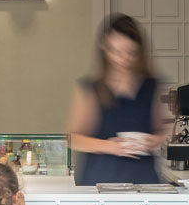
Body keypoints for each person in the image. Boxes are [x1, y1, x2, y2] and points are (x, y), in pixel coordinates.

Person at [67, 13, 166, 185]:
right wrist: (112, 147)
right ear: (105, 49)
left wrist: (153, 141)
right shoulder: (91, 88)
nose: (124, 59)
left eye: (130, 52)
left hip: (144, 181)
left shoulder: (151, 86)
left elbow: (163, 131)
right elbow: (72, 139)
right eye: (117, 52)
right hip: (100, 181)